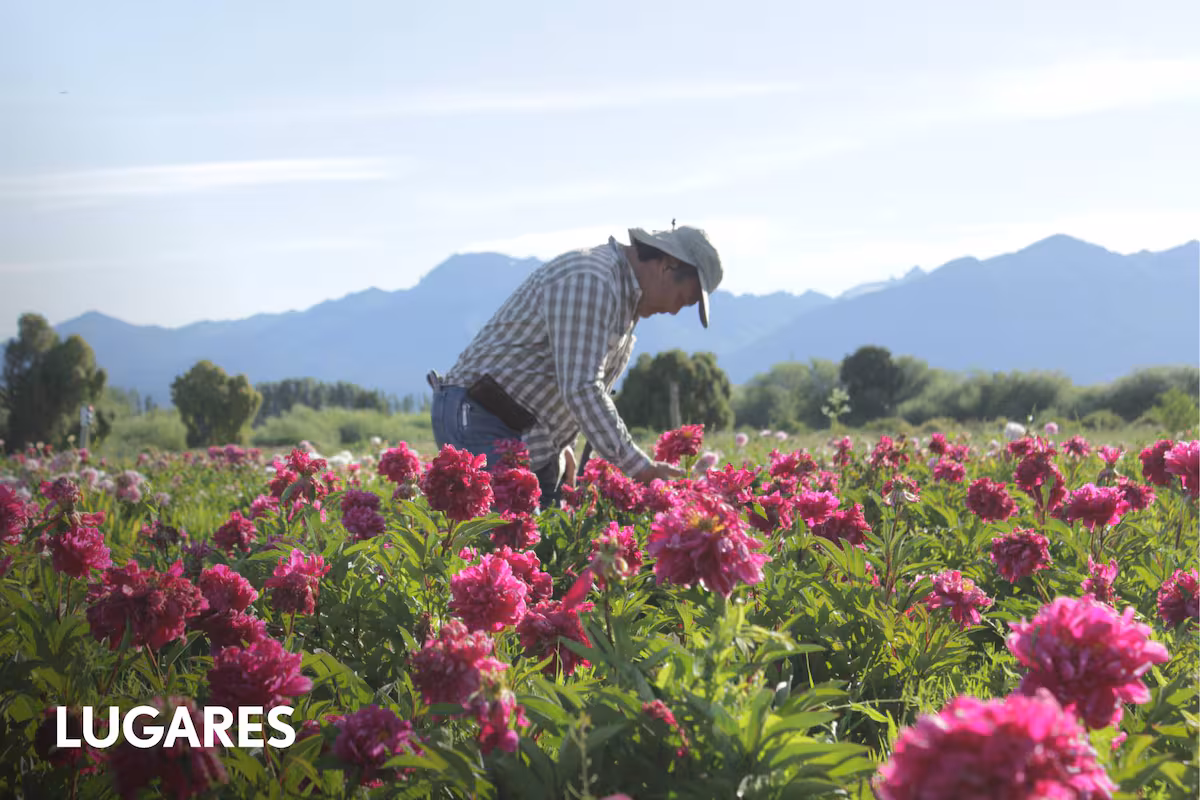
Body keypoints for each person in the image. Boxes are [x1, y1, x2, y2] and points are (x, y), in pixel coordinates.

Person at [427, 224, 724, 506]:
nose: (673, 311)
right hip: (482, 415)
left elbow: (564, 372)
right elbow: (582, 387)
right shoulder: (593, 280)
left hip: (520, 429)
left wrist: (559, 442)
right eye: (682, 299)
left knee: (535, 548)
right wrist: (640, 468)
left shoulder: (623, 296)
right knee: (499, 544)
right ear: (667, 264)